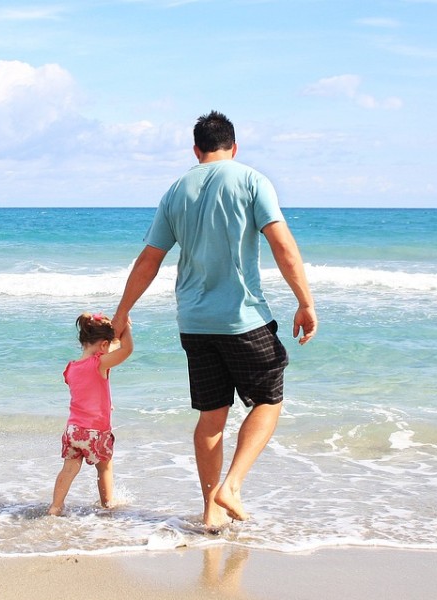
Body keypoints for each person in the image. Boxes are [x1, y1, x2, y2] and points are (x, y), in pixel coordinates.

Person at [111, 110, 317, 531]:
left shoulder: (175, 191)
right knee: (269, 400)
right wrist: (305, 301)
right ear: (234, 147)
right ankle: (233, 486)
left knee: (211, 416)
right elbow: (282, 244)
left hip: (194, 321)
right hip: (241, 318)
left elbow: (150, 259)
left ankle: (211, 511)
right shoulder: (251, 180)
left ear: (196, 149)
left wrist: (122, 311)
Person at [48, 312, 134, 516]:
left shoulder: (70, 368)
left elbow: (87, 391)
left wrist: (113, 334)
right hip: (96, 431)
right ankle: (107, 504)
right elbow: (127, 349)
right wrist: (126, 328)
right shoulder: (99, 364)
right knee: (104, 468)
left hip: (73, 431)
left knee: (69, 469)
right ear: (103, 346)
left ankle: (55, 507)